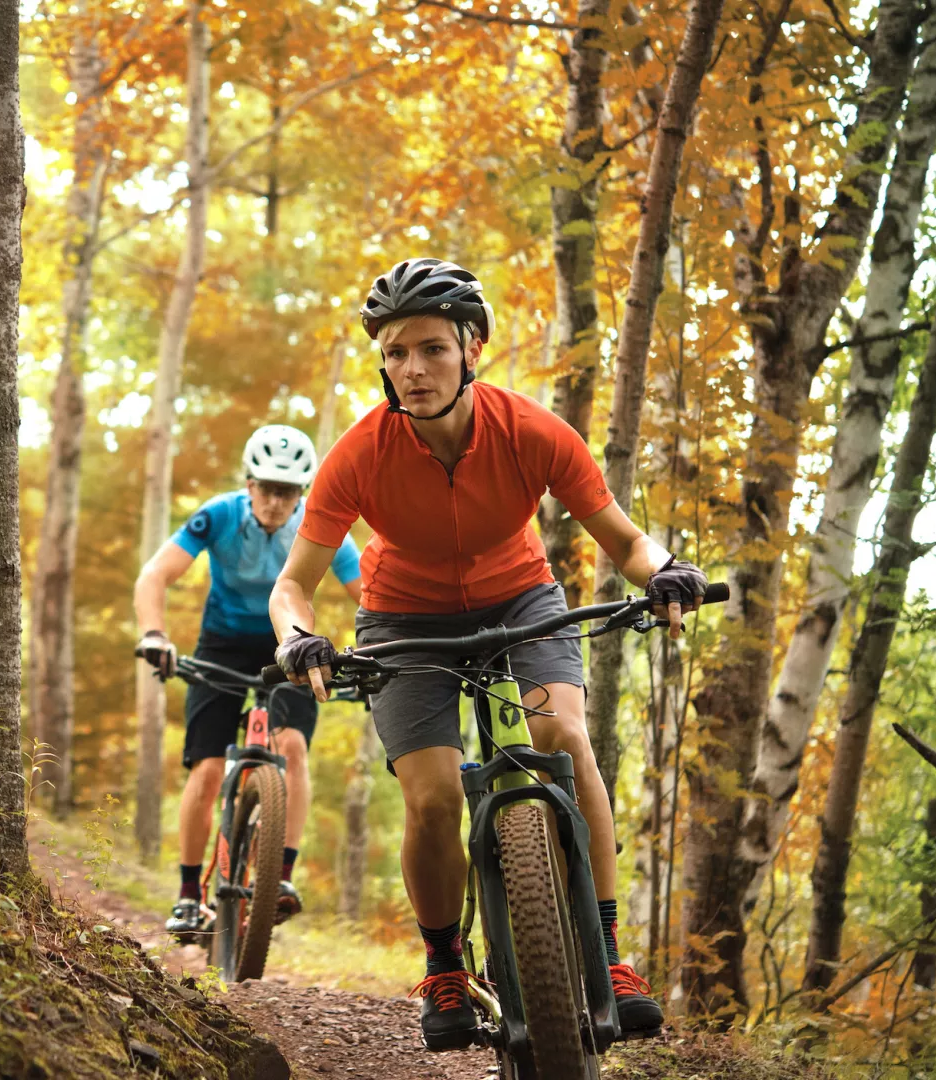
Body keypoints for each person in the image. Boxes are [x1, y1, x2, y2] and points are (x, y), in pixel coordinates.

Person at [267, 258, 706, 1049]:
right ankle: (443, 965)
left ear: (473, 348)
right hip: (404, 619)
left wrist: (665, 570)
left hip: (521, 599)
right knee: (433, 796)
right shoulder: (360, 454)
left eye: (432, 348)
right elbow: (291, 587)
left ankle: (607, 956)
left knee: (563, 738)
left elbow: (626, 540)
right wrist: (297, 637)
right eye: (397, 352)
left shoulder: (532, 431)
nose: (413, 369)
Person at [134, 425, 365, 937]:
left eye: (287, 490)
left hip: (290, 642)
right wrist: (155, 635)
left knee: (294, 749)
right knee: (209, 768)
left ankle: (279, 877)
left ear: (302, 493)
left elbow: (370, 595)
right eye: (265, 486)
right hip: (221, 643)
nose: (275, 500)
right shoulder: (217, 515)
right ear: (248, 483)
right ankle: (189, 894)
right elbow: (155, 576)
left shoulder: (322, 527)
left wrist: (377, 650)